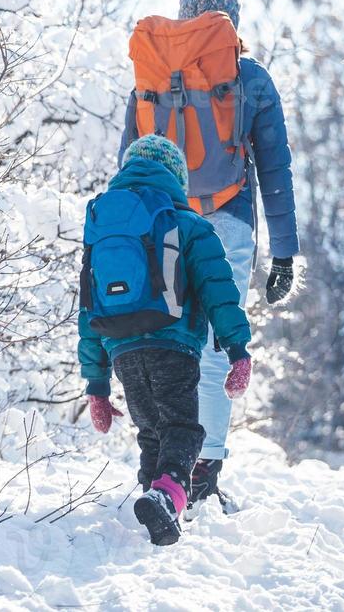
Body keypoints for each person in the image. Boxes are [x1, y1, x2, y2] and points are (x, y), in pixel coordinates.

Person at [118, 0, 300, 510]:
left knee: (161, 340)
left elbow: (129, 161)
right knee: (219, 346)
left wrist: (118, 238)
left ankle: (162, 464)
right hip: (228, 217)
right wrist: (284, 254)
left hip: (159, 219)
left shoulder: (151, 73)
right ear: (232, 16)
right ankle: (203, 471)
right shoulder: (249, 77)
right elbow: (274, 168)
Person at [79, 135, 253, 545]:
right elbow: (218, 289)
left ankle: (152, 501)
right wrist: (237, 349)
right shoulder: (189, 224)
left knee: (151, 431)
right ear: (176, 177)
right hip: (172, 344)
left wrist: (97, 386)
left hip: (121, 347)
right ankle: (166, 495)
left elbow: (88, 309)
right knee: (183, 428)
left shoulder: (103, 228)